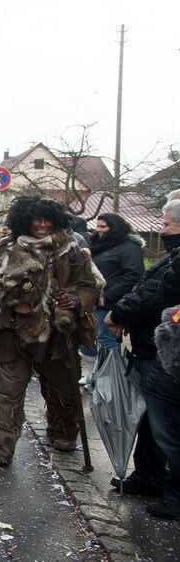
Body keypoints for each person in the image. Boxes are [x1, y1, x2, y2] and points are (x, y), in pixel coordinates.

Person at [0, 196, 99, 468]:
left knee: (62, 389)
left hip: (56, 334)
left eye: (46, 220)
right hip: (12, 330)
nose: (41, 225)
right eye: (36, 220)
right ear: (25, 221)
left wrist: (75, 301)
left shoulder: (70, 250)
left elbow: (89, 286)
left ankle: (63, 433)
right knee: (6, 391)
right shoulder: (6, 248)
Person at [104, 199, 180, 507]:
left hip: (166, 353)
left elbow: (156, 294)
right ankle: (148, 476)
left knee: (167, 425)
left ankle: (174, 493)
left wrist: (119, 312)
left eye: (167, 225)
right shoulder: (172, 257)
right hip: (152, 348)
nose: (163, 231)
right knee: (151, 420)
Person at [141, 260, 180, 519]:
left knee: (170, 438)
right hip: (165, 372)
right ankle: (152, 478)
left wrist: (170, 326)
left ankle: (175, 494)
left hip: (170, 373)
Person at [88, 212, 144, 351]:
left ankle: (112, 372)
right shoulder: (100, 246)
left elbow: (133, 275)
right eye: (98, 226)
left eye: (103, 227)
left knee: (106, 339)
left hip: (111, 302)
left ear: (114, 227)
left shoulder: (129, 247)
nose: (99, 230)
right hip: (96, 300)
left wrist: (108, 296)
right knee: (96, 339)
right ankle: (102, 370)